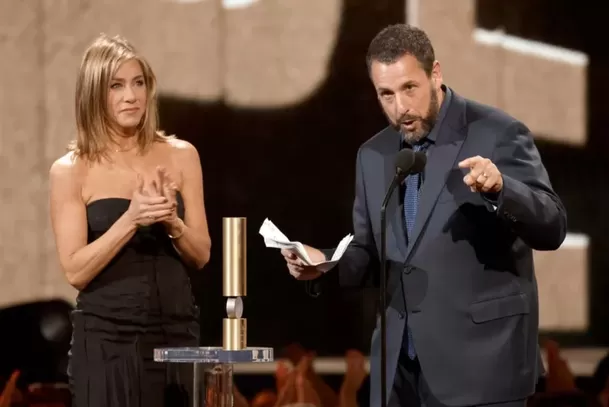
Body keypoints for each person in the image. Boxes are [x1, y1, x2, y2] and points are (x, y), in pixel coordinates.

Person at [280, 24, 567, 407]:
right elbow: (369, 252)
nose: (400, 108)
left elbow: (552, 226)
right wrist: (324, 264)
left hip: (482, 370)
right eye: (386, 94)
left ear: (435, 74)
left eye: (409, 88)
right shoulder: (374, 155)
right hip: (399, 373)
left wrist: (502, 189)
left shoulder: (497, 132)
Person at [49, 33, 211, 407]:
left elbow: (201, 254)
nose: (131, 96)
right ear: (94, 95)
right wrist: (131, 219)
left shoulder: (181, 155)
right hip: (107, 341)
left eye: (138, 83)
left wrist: (173, 222)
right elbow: (75, 270)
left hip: (175, 332)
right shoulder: (71, 170)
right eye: (117, 86)